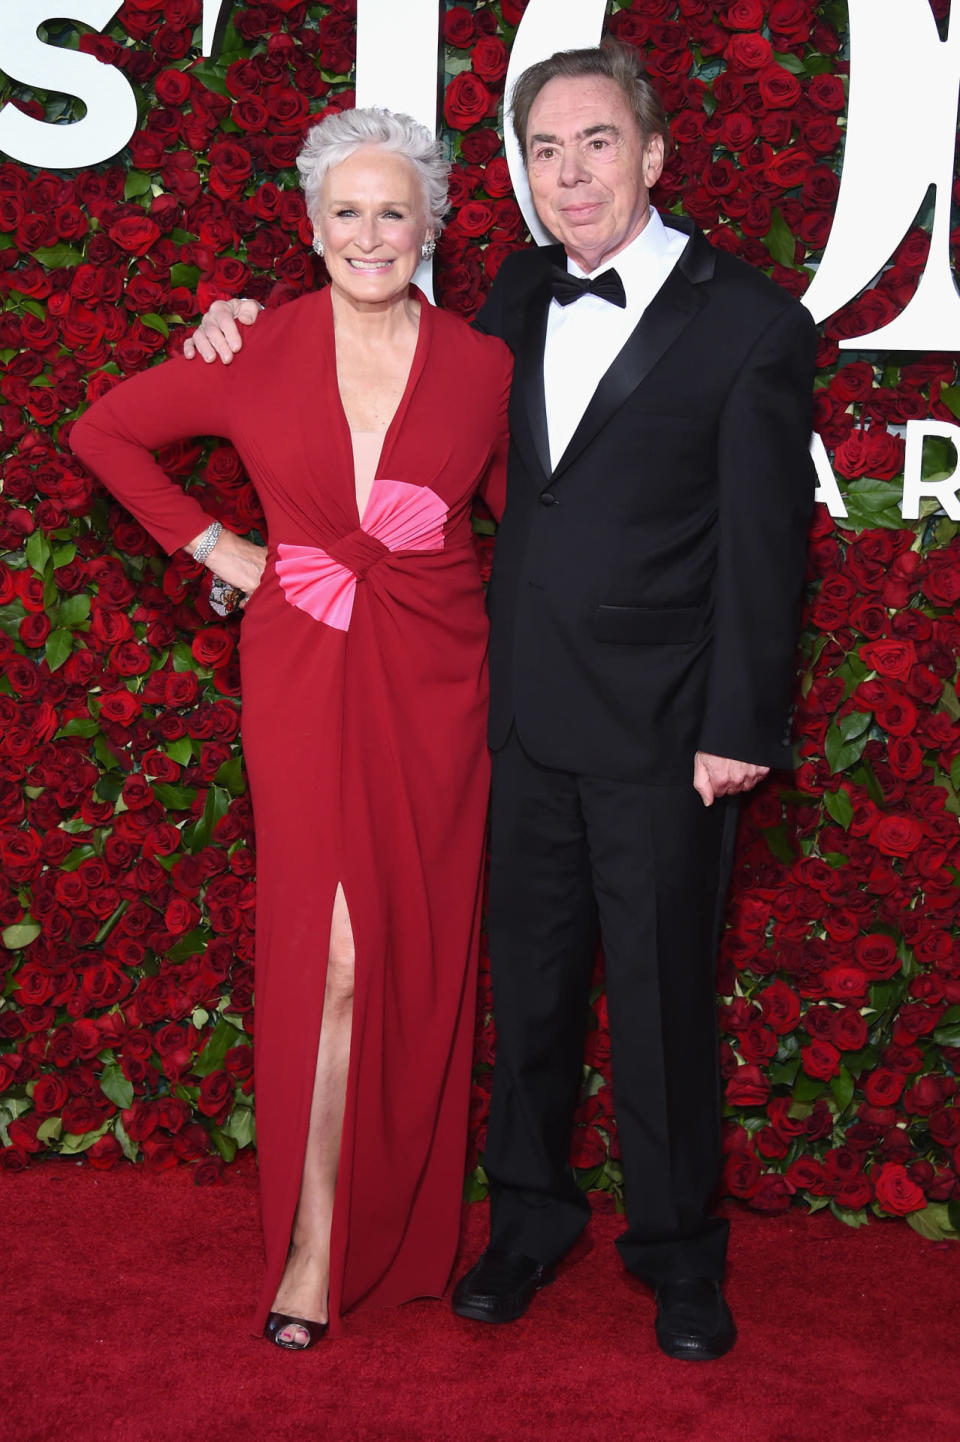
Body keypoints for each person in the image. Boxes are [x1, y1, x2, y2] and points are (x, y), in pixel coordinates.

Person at [186, 42, 816, 1362]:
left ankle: (678, 1256)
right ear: (521, 180)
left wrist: (738, 727)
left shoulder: (751, 319)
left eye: (597, 143)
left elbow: (767, 546)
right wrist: (230, 315)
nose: (571, 172)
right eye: (545, 149)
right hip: (506, 715)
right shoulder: (518, 293)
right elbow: (398, 394)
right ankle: (526, 1222)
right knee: (524, 996)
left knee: (657, 1004)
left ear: (651, 154)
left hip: (664, 729)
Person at [71, 107, 512, 1352]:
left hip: (441, 676)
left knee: (417, 949)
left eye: (394, 210)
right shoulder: (255, 346)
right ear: (310, 228)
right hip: (305, 663)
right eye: (346, 211)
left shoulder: (483, 363)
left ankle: (411, 1220)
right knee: (331, 958)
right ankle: (314, 1242)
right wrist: (220, 548)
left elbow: (530, 512)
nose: (370, 233)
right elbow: (101, 430)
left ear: (432, 225)